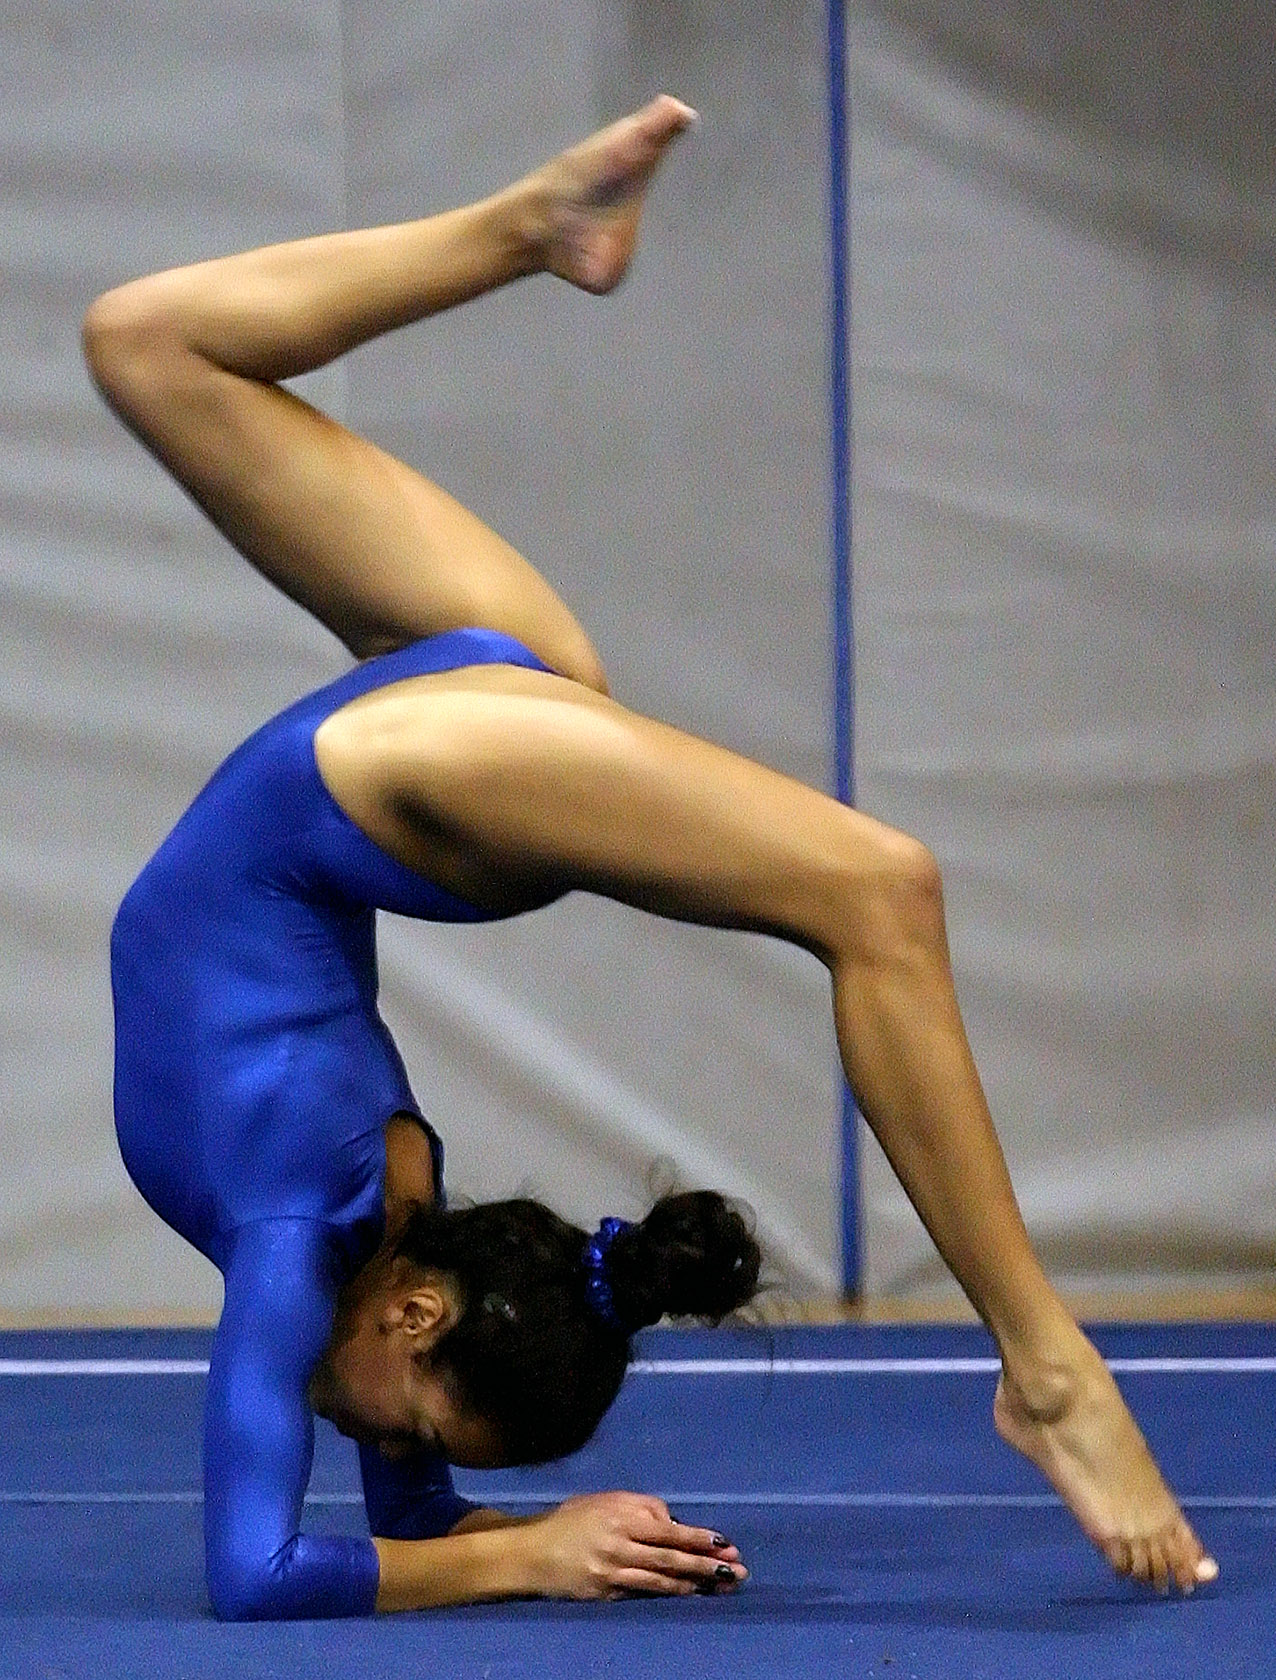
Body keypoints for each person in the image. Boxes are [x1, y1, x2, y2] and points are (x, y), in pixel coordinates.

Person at [82, 95, 1217, 1619]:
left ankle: (525, 231)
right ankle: (1051, 1367)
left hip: (400, 755)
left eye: (396, 1429)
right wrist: (528, 1550)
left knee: (147, 343)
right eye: (401, 1424)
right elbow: (305, 1546)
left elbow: (259, 1570)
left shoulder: (313, 1246)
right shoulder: (360, 1238)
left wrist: (502, 1544)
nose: (356, 1436)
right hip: (403, 766)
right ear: (424, 1311)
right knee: (879, 892)